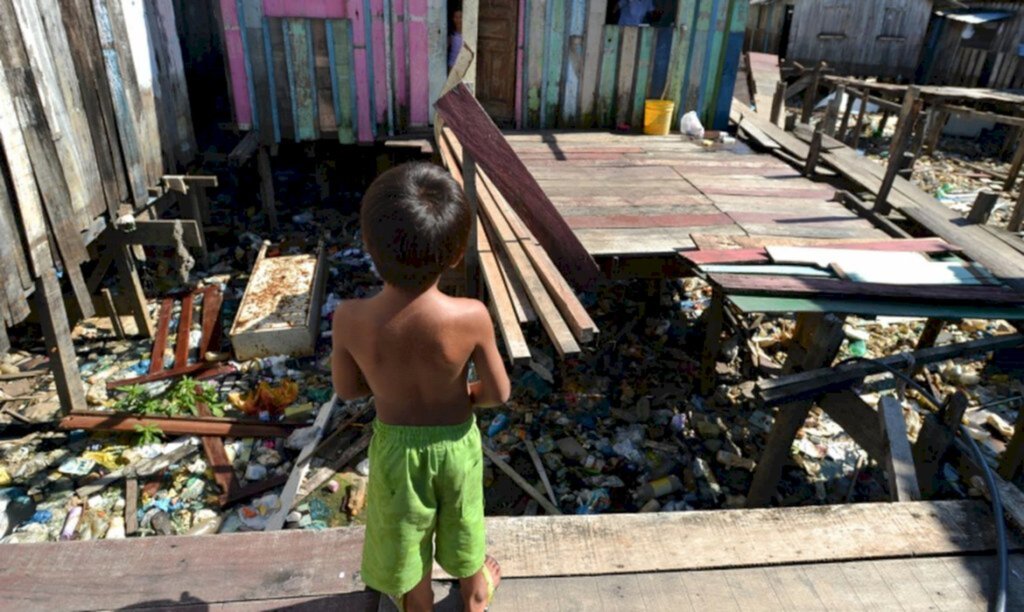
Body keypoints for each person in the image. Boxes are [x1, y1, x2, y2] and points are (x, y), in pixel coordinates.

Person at [332, 162, 510, 611]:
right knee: (465, 519)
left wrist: (389, 384)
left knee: (404, 535)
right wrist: (463, 395)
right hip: (456, 446)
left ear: (370, 246)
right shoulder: (470, 317)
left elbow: (349, 390)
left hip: (396, 453)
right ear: (454, 255)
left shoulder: (351, 318)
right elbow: (498, 393)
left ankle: (419, 600)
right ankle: (473, 594)